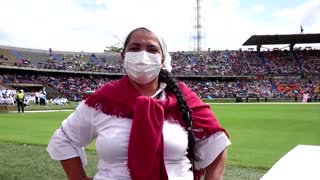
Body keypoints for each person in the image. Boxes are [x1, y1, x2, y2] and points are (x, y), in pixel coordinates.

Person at [47, 27, 231, 180]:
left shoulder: (183, 97)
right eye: (135, 48)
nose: (143, 55)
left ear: (162, 59)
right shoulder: (104, 99)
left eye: (152, 50)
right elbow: (64, 139)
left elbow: (217, 142)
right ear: (123, 56)